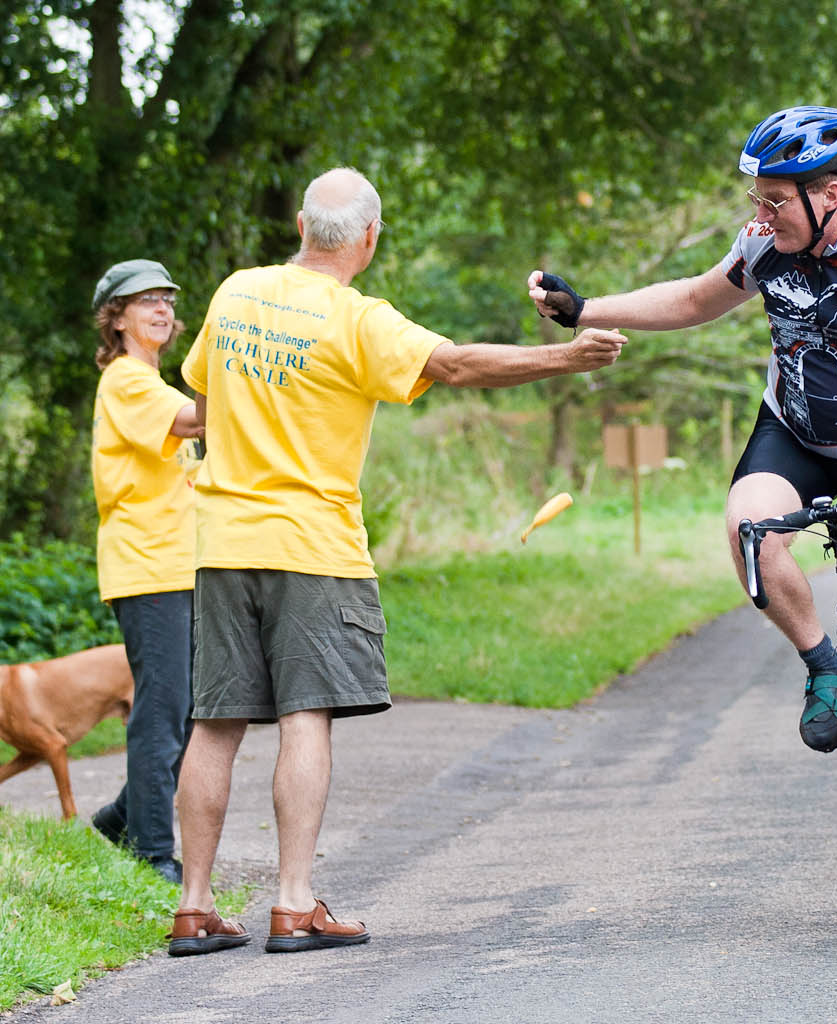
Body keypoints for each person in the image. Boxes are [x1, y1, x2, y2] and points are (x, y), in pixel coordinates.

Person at [167, 166, 626, 958]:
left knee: (215, 724)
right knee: (304, 716)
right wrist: (568, 358)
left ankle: (194, 906)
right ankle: (292, 902)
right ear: (369, 238)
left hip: (220, 544)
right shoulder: (358, 319)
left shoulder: (234, 293)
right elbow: (453, 364)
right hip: (310, 546)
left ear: (303, 227)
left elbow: (204, 402)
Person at [529, 106, 837, 877]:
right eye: (759, 199)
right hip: (798, 436)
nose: (760, 214)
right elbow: (691, 301)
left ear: (833, 196)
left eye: (775, 200)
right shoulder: (764, 247)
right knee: (749, 527)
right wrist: (586, 310)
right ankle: (824, 664)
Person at [89, 259, 204, 884]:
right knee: (163, 712)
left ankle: (118, 820)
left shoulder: (151, 384)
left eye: (165, 299)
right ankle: (151, 852)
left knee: (183, 711)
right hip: (148, 567)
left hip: (177, 565)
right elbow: (195, 419)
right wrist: (229, 367)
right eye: (144, 301)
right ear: (118, 319)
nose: (160, 309)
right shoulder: (129, 382)